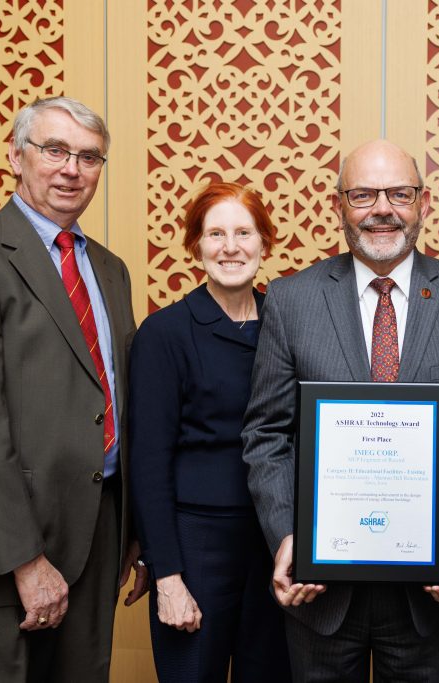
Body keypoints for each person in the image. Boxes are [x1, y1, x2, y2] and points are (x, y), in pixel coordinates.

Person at [241, 139, 439, 683]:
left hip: (427, 592)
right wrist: (288, 535)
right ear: (339, 205)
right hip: (318, 587)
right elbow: (266, 433)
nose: (382, 209)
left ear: (423, 202)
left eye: (399, 193)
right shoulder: (291, 300)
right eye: (364, 195)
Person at [0, 96, 147, 682]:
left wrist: (134, 534)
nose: (72, 168)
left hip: (98, 538)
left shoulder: (110, 270)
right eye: (55, 150)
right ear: (16, 156)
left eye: (89, 157)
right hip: (6, 553)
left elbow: (117, 402)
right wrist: (23, 560)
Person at [128, 182, 291, 682]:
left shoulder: (287, 324)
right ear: (195, 245)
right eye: (215, 233)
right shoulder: (165, 333)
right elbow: (148, 463)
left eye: (244, 233)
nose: (230, 247)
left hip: (275, 543)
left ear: (264, 243)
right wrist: (168, 578)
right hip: (196, 545)